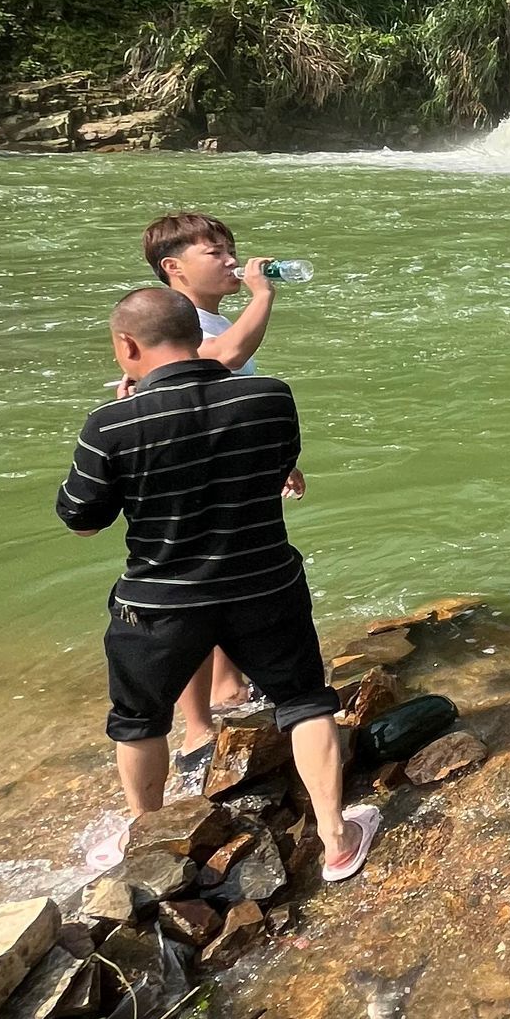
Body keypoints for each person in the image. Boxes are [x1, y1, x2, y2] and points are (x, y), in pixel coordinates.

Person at [60, 288, 379, 882]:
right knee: (304, 700)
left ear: (126, 346)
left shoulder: (111, 424)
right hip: (264, 582)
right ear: (195, 333)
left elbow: (82, 520)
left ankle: (148, 841)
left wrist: (131, 422)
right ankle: (335, 839)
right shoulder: (269, 396)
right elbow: (277, 469)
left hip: (160, 600)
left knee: (139, 720)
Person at [142, 212, 303, 785]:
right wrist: (264, 294)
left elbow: (234, 395)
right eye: (215, 251)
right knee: (194, 592)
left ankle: (229, 685)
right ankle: (196, 726)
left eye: (230, 247)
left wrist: (279, 459)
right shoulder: (177, 325)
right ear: (174, 268)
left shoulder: (211, 316)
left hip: (227, 470)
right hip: (188, 478)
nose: (231, 258)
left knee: (227, 581)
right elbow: (227, 359)